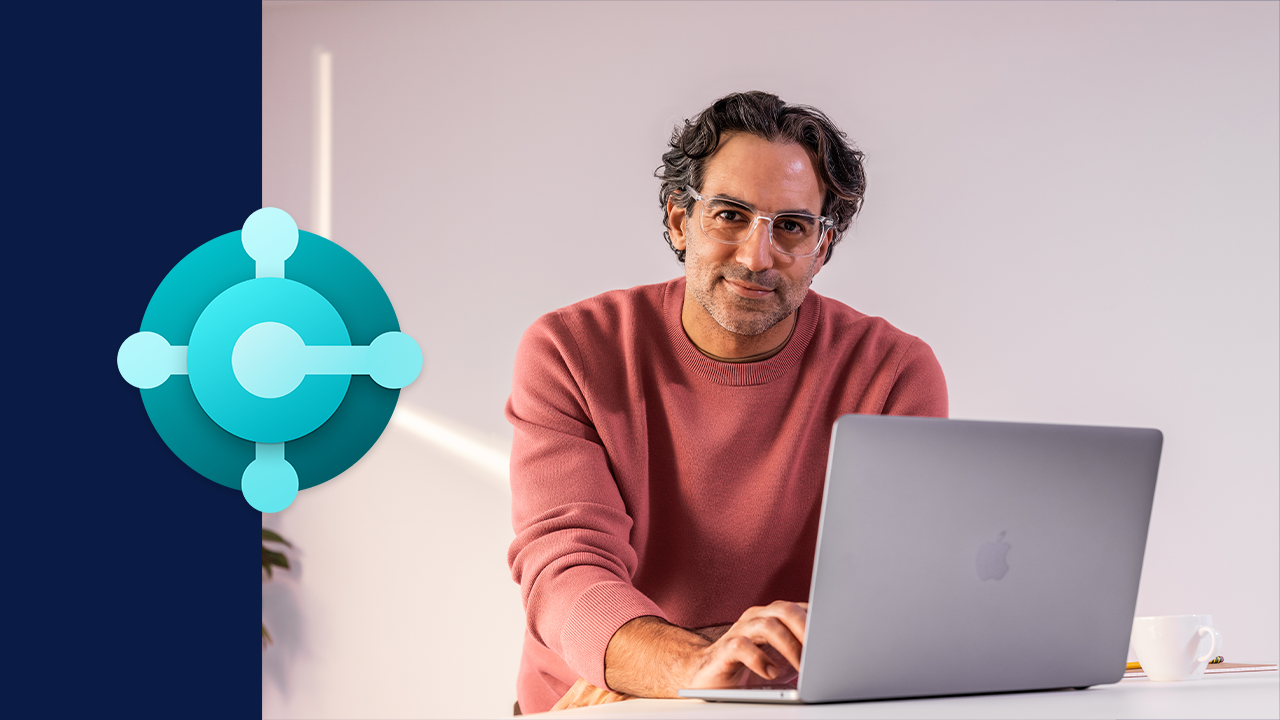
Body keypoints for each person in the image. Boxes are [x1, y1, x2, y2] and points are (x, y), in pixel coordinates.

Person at [505, 91, 948, 714]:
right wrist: (683, 665)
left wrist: (691, 666)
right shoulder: (572, 350)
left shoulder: (893, 370)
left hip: (786, 702)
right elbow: (565, 565)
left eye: (791, 227)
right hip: (601, 701)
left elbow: (892, 591)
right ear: (680, 221)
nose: (755, 257)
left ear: (822, 248)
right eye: (730, 215)